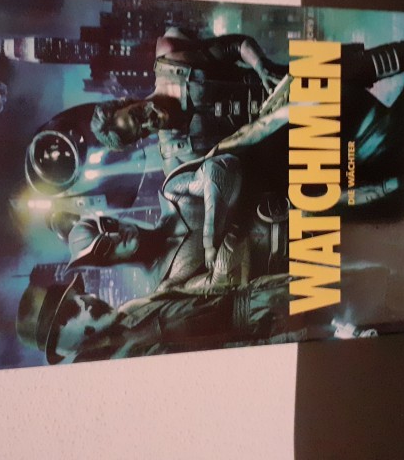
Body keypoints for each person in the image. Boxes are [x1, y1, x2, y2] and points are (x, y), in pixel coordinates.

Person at [67, 153, 289, 292]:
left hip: (287, 203)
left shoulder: (173, 194)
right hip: (286, 261)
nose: (117, 236)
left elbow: (220, 171)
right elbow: (225, 285)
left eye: (108, 225)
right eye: (105, 246)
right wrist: (231, 231)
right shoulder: (164, 285)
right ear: (108, 262)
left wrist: (211, 240)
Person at [90, 28, 286, 173]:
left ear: (127, 101)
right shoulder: (178, 155)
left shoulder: (173, 61)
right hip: (286, 141)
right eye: (142, 131)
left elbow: (236, 45)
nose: (148, 122)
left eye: (137, 115)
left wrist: (261, 66)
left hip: (284, 82)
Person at [16, 271, 309, 365]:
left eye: (78, 294)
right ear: (65, 347)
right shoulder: (129, 362)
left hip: (274, 295)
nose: (86, 300)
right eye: (70, 310)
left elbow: (212, 294)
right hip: (283, 331)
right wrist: (298, 343)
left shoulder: (128, 313)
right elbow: (228, 358)